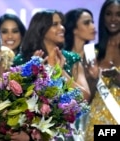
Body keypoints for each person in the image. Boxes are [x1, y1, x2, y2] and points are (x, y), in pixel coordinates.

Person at [13, 9, 91, 101]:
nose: (62, 27)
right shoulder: (22, 60)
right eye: (55, 24)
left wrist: (61, 71)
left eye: (61, 23)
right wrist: (33, 72)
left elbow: (86, 97)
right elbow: (16, 97)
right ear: (41, 29)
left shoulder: (71, 59)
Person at [85, 0, 120, 140]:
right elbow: (86, 97)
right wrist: (92, 79)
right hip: (97, 122)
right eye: (109, 14)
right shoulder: (91, 52)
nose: (113, 19)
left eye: (118, 14)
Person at [64, 8, 97, 141]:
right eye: (87, 23)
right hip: (70, 122)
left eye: (93, 22)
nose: (93, 27)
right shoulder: (63, 58)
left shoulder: (98, 54)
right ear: (74, 29)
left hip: (97, 118)